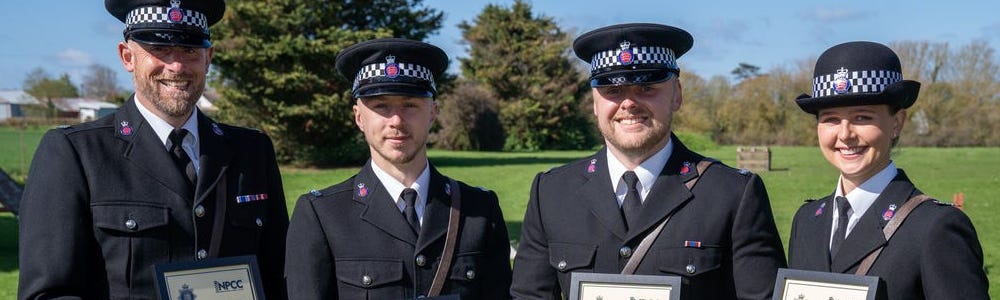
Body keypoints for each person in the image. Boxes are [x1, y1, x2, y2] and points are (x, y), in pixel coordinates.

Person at [17, 0, 289, 299]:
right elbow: (49, 293)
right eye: (160, 49)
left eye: (189, 51)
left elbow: (278, 276)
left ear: (208, 57)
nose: (176, 66)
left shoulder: (252, 151)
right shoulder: (76, 153)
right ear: (127, 56)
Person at [511, 23, 786, 300]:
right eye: (613, 90)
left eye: (646, 87)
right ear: (595, 102)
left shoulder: (732, 194)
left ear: (676, 94)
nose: (629, 103)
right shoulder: (552, 193)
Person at [284, 38, 512, 299]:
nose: (396, 121)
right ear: (359, 116)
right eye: (381, 106)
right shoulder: (323, 215)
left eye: (410, 105)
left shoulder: (479, 211)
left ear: (433, 113)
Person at [787, 41, 989, 299]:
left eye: (863, 117)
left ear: (897, 123)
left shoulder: (935, 227)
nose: (845, 134)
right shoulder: (806, 220)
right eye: (831, 119)